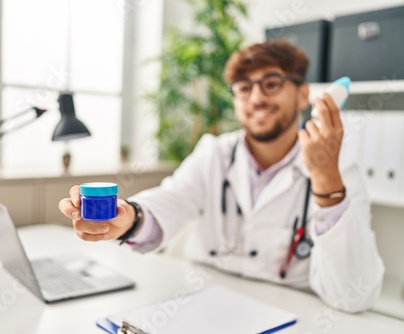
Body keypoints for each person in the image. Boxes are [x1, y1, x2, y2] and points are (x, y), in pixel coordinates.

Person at [59, 40, 384, 313]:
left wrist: (326, 181)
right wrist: (129, 218)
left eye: (272, 83)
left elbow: (354, 295)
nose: (256, 98)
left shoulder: (339, 168)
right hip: (203, 308)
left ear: (303, 95)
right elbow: (171, 200)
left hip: (292, 316)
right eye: (244, 88)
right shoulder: (213, 153)